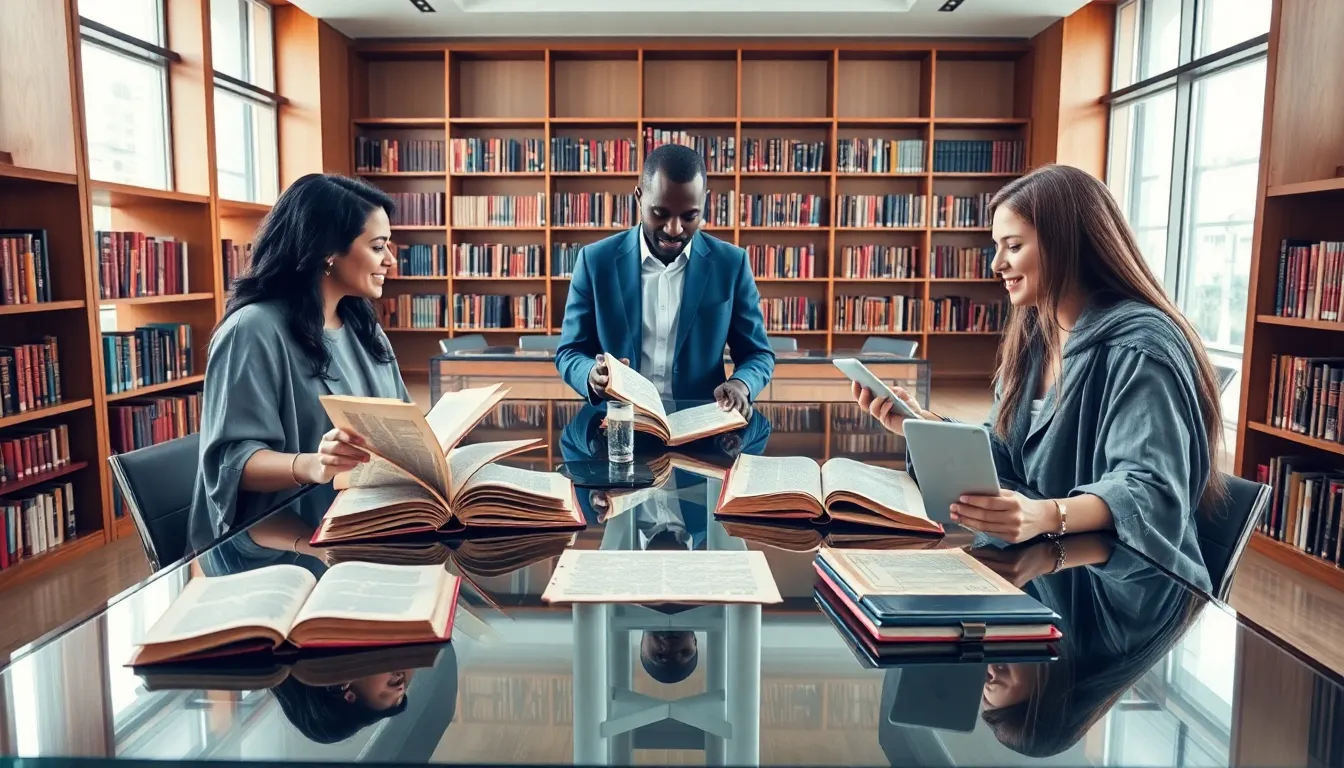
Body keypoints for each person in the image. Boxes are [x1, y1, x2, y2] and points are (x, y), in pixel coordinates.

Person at [852, 164, 1224, 590]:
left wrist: (1044, 515)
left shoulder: (1141, 346)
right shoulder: (1035, 335)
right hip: (1050, 571)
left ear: (1066, 245)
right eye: (997, 246)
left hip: (1130, 591)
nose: (997, 264)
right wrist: (920, 425)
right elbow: (1007, 451)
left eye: (1013, 246)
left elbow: (1150, 491)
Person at [188, 173, 405, 550]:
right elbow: (230, 464)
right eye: (377, 246)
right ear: (328, 252)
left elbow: (401, 416)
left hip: (364, 523)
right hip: (279, 544)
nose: (390, 259)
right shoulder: (252, 330)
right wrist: (315, 465)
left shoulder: (362, 325)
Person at [555, 143, 775, 416]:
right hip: (616, 428)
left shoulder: (731, 264)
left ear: (704, 203)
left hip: (701, 429)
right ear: (638, 198)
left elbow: (758, 354)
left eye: (689, 216)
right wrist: (591, 374)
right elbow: (570, 352)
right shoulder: (595, 261)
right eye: (660, 214)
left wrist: (742, 384)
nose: (674, 229)